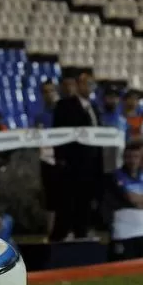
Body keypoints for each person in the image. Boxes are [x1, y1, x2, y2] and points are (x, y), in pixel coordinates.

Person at [52, 69, 102, 241]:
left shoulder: (94, 107)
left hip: (91, 163)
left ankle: (82, 231)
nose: (90, 87)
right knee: (68, 201)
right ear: (78, 84)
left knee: (86, 200)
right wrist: (61, 159)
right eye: (87, 83)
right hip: (72, 163)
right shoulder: (65, 105)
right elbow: (58, 133)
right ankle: (62, 234)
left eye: (92, 84)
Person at [108, 142, 143, 261]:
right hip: (124, 229)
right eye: (129, 157)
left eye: (135, 157)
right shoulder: (117, 175)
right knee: (121, 264)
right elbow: (130, 197)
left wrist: (140, 202)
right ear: (123, 158)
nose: (132, 161)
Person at [34, 80, 60, 240]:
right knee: (50, 198)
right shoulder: (40, 116)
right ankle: (50, 232)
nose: (48, 94)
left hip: (63, 159)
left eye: (51, 90)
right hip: (46, 160)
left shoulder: (64, 112)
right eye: (44, 91)